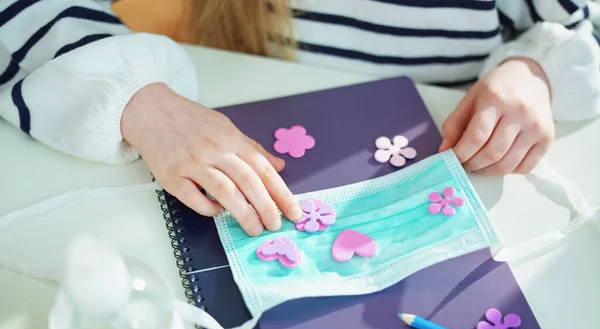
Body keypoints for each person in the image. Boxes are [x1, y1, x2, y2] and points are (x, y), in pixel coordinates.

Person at [0, 0, 598, 238]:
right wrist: (137, 101)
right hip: (222, 111)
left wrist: (536, 66)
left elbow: (585, 25)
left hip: (463, 157)